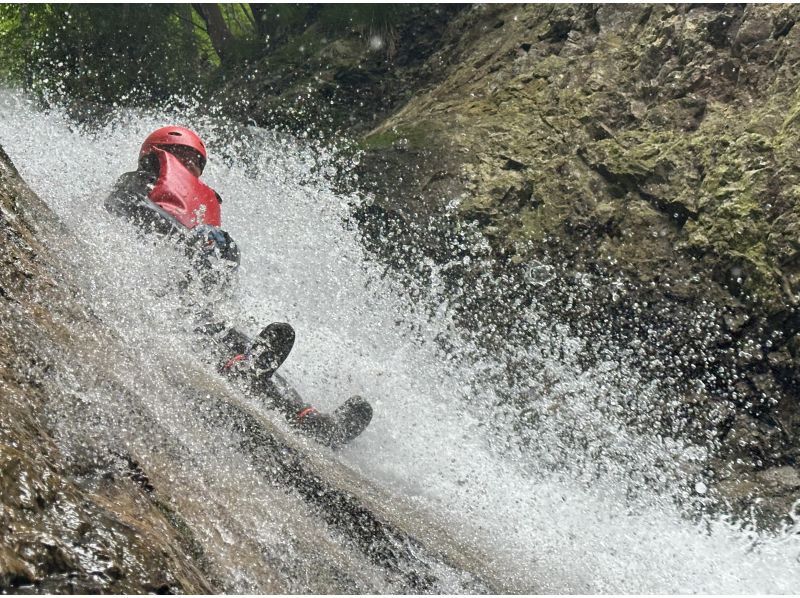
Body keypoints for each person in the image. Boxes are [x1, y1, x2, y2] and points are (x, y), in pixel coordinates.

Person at [105, 125, 371, 447]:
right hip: (146, 288)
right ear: (160, 154)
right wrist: (182, 239)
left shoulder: (199, 215)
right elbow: (120, 210)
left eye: (196, 164)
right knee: (204, 328)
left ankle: (312, 422)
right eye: (184, 159)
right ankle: (241, 368)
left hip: (188, 300)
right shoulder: (138, 181)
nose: (190, 169)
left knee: (237, 338)